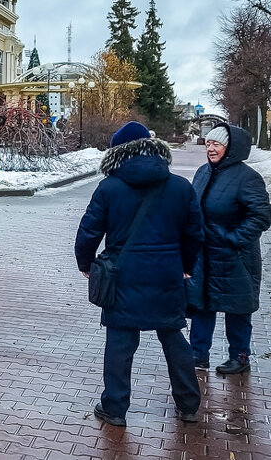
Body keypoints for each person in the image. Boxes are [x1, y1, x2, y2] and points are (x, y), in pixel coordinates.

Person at [74, 121, 205, 427]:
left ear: (117, 153)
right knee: (173, 337)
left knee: (120, 343)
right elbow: (194, 234)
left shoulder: (109, 187)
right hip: (166, 274)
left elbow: (89, 231)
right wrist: (185, 266)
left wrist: (85, 263)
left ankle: (115, 408)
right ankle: (188, 404)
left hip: (122, 274)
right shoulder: (180, 187)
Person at [188, 124, 271, 375]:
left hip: (236, 256)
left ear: (231, 148)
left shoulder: (248, 178)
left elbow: (259, 217)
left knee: (237, 308)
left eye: (217, 144)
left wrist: (232, 239)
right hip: (204, 255)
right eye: (208, 144)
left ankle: (240, 355)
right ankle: (198, 353)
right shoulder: (203, 172)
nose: (210, 149)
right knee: (202, 303)